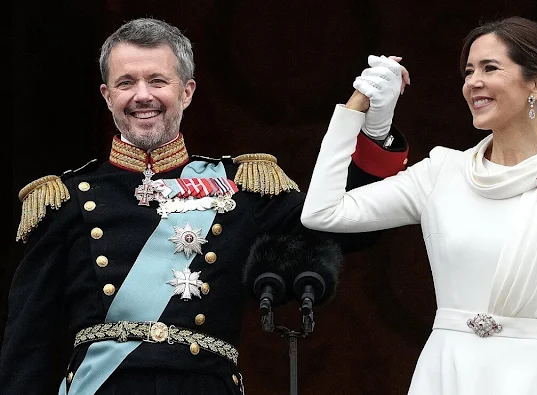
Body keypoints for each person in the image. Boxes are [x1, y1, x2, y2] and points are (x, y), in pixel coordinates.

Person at [0, 18, 408, 395]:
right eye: (126, 83)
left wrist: (376, 130)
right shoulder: (67, 198)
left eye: (157, 80)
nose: (142, 96)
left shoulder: (242, 186)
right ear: (107, 96)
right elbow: (28, 337)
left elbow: (351, 221)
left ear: (187, 91)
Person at [301, 16, 537, 395]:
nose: (473, 82)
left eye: (490, 68)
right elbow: (322, 212)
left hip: (530, 379)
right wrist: (357, 113)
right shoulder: (443, 171)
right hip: (443, 374)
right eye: (469, 70)